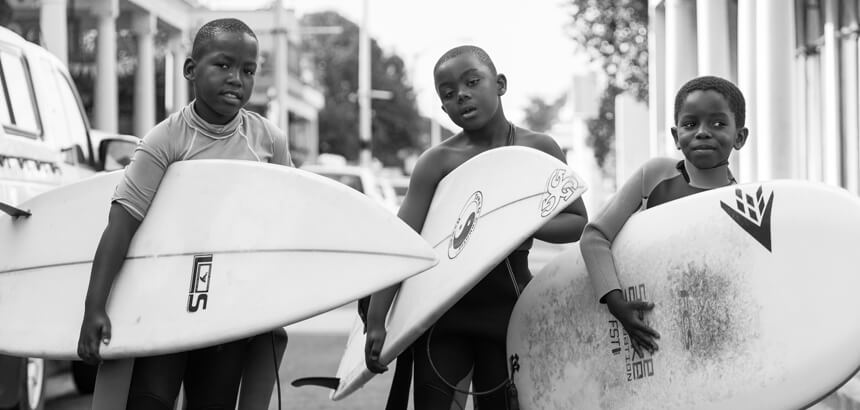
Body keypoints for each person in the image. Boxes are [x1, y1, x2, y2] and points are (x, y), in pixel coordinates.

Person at [76, 18, 290, 410]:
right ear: (191, 70)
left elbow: (283, 222)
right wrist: (95, 306)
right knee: (150, 401)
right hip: (164, 298)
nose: (236, 79)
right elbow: (121, 226)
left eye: (248, 70)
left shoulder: (269, 141)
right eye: (223, 65)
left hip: (229, 306)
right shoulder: (167, 139)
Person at [363, 45, 589, 410]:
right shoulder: (437, 162)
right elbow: (403, 242)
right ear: (442, 107)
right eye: (448, 93)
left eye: (472, 82)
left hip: (510, 313)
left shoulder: (538, 148)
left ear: (499, 84)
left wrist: (518, 223)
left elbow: (577, 223)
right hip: (443, 318)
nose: (461, 96)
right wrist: (377, 319)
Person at [580, 75, 749, 357]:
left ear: (739, 137)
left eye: (718, 124)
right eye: (690, 124)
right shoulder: (655, 176)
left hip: (705, 347)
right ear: (676, 136)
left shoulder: (738, 208)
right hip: (646, 337)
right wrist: (615, 301)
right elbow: (594, 237)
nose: (703, 132)